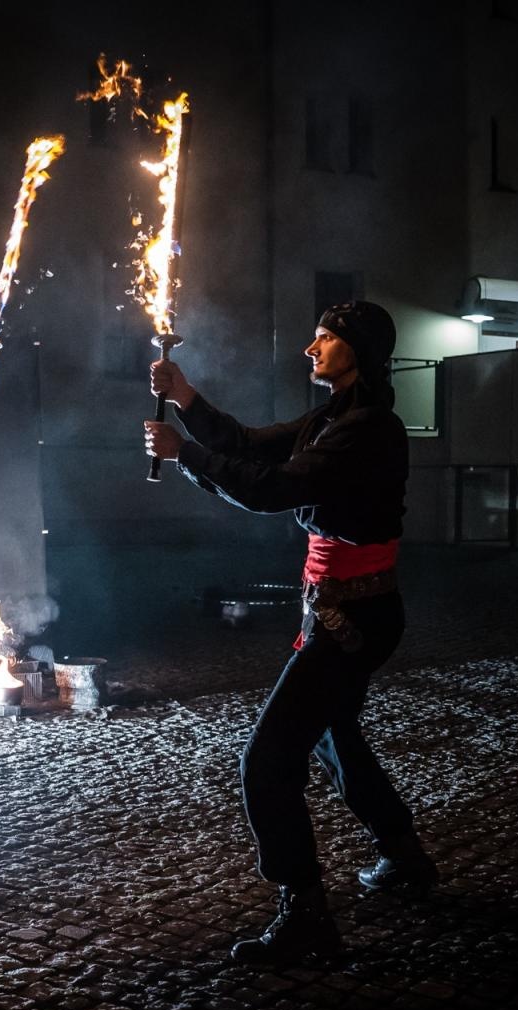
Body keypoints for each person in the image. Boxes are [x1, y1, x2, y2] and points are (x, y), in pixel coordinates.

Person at [143, 301, 438, 967]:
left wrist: (184, 453)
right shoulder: (333, 416)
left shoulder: (368, 429)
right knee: (335, 737)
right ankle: (402, 850)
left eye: (327, 338)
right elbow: (251, 445)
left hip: (352, 616)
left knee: (268, 759)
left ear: (358, 350)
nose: (312, 347)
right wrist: (185, 397)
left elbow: (273, 488)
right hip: (343, 609)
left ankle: (305, 910)